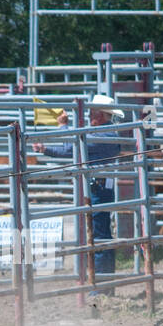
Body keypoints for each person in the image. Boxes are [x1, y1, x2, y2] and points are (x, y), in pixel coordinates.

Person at [33, 94, 128, 276]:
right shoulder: (105, 133)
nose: (89, 116)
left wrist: (63, 126)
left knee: (99, 235)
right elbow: (73, 150)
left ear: (99, 114)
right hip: (98, 187)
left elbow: (71, 148)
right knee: (100, 233)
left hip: (98, 189)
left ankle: (101, 281)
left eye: (91, 112)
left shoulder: (104, 134)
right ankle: (104, 280)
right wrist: (47, 150)